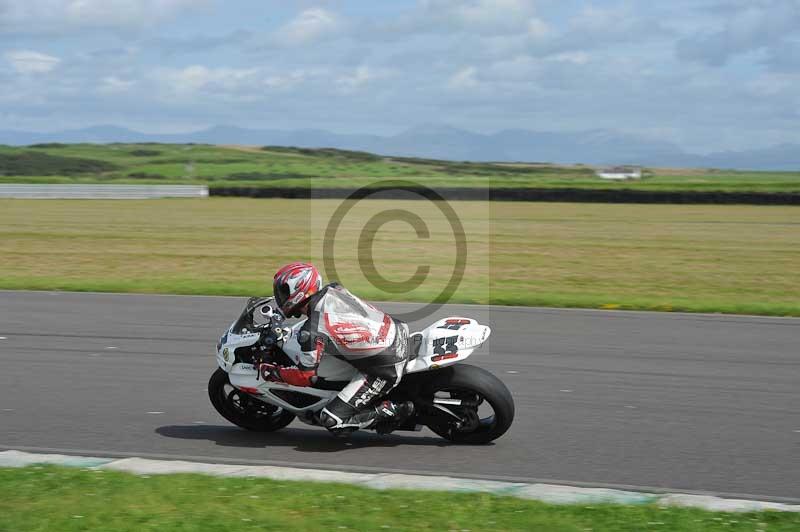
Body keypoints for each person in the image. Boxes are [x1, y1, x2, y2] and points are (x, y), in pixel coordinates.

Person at [266, 262, 414, 435]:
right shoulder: (334, 290)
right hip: (397, 331)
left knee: (332, 420)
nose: (280, 297)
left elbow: (306, 377)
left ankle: (392, 409)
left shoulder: (312, 330)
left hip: (386, 366)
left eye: (283, 292)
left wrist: (274, 373)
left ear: (298, 289)